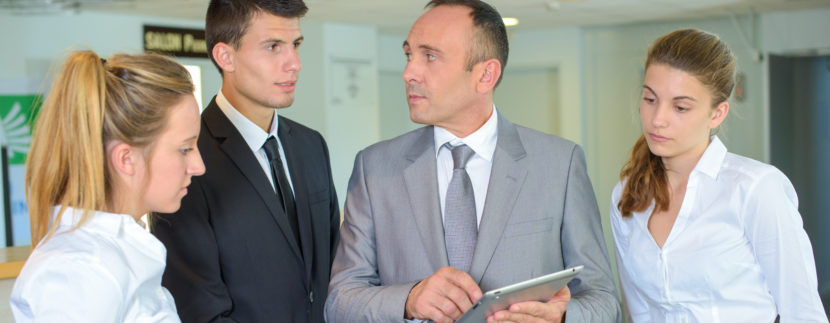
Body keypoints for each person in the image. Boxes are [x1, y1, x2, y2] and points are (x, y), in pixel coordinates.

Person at [325, 1, 620, 322]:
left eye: (430, 56)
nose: (409, 72)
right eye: (409, 54)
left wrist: (562, 317)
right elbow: (339, 302)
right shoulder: (374, 168)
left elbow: (604, 301)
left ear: (485, 75)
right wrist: (408, 300)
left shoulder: (560, 164)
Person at [610, 28, 828, 322]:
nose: (658, 119)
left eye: (680, 107)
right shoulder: (627, 195)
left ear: (717, 114)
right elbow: (638, 312)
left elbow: (803, 313)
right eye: (650, 99)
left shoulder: (756, 189)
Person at [149, 0, 340, 322]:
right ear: (226, 56)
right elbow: (199, 308)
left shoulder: (311, 146)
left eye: (295, 45)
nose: (294, 63)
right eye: (273, 47)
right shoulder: (188, 160)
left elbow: (336, 268)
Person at [9, 50, 204, 322]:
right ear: (127, 159)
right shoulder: (79, 271)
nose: (199, 166)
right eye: (185, 149)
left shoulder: (114, 252)